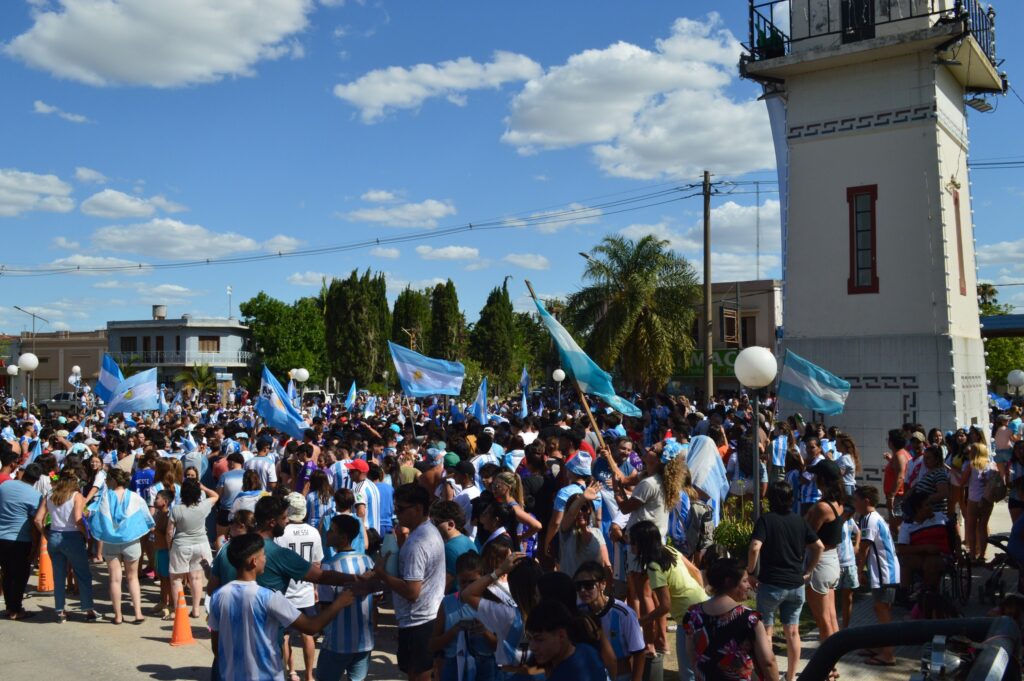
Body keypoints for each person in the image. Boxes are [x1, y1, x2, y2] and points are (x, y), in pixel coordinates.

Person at [208, 532, 354, 681]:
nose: (265, 559)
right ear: (254, 562)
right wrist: (340, 602)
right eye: (263, 556)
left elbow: (216, 647)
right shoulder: (269, 597)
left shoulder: (218, 596)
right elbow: (312, 626)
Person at [364, 483, 446, 681]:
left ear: (418, 508)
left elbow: (412, 591)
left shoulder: (418, 543)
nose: (396, 513)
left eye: (400, 509)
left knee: (419, 675)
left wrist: (382, 574)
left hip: (418, 621)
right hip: (427, 616)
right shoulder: (427, 532)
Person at [746, 481, 823, 681]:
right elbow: (819, 547)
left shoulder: (766, 520)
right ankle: (790, 677)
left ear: (770, 499)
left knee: (767, 634)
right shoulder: (800, 521)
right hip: (796, 585)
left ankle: (768, 676)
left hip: (771, 585)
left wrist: (751, 572)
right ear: (791, 499)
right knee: (793, 633)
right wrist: (808, 570)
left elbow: (755, 547)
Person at [630, 519, 707, 681]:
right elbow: (696, 572)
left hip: (688, 618)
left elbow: (665, 606)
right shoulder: (670, 550)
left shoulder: (653, 566)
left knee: (688, 673)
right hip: (705, 605)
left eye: (633, 542)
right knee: (706, 663)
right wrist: (701, 596)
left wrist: (642, 620)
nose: (631, 546)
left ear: (643, 543)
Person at [682, 556, 779, 681]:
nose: (749, 586)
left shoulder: (692, 615)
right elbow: (768, 661)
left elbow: (691, 653)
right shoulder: (750, 619)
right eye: (744, 581)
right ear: (728, 582)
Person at [90, 466, 155, 624]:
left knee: (114, 580)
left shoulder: (105, 497)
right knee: (133, 578)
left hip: (111, 542)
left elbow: (95, 516)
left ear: (112, 480)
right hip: (131, 541)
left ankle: (118, 615)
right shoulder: (134, 497)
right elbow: (147, 518)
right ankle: (138, 613)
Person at [317, 514, 376, 681]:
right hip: (364, 641)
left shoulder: (328, 566)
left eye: (331, 530)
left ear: (343, 537)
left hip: (337, 643)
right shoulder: (367, 561)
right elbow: (376, 598)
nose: (327, 533)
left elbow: (325, 606)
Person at [33, 469, 97, 622]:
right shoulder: (76, 496)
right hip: (72, 536)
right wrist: (87, 536)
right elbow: (78, 519)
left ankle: (60, 610)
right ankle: (88, 609)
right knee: (82, 574)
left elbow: (37, 519)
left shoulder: (49, 495)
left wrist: (45, 534)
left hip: (54, 535)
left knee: (59, 575)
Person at [430, 551, 499, 681]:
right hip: (453, 667)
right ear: (457, 579)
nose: (468, 586)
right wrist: (454, 630)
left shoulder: (492, 604)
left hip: (485, 668)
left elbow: (501, 647)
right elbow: (433, 645)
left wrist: (485, 632)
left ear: (482, 578)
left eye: (472, 581)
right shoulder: (447, 603)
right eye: (463, 582)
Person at [276, 492, 324, 681]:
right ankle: (310, 674)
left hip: (286, 590)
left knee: (285, 635)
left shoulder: (282, 533)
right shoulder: (313, 532)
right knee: (308, 634)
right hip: (305, 589)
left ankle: (291, 671)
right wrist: (314, 587)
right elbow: (317, 563)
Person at [574, 560, 646, 681]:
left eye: (588, 585)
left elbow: (639, 653)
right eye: (578, 586)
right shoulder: (578, 612)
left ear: (603, 584)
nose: (582, 590)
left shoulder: (624, 614)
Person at [853, 485, 900, 666]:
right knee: (880, 608)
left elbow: (864, 548)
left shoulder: (869, 519)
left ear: (866, 501)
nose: (854, 504)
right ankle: (881, 646)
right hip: (884, 570)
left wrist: (858, 571)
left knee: (883, 609)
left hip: (885, 571)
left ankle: (888, 654)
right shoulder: (872, 518)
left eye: (856, 500)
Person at [803, 459, 843, 644]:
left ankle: (828, 666)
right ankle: (833, 661)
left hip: (819, 563)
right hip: (832, 561)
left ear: (822, 480)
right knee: (831, 615)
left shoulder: (822, 507)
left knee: (823, 619)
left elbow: (807, 534)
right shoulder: (837, 502)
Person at [168, 477, 219, 619]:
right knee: (196, 578)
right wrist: (204, 487)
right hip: (201, 545)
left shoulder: (176, 509)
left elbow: (169, 531)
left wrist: (169, 546)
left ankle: (180, 610)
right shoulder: (204, 506)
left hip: (181, 545)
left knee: (176, 579)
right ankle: (196, 610)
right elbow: (215, 496)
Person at [0, 462, 43, 619]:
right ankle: (15, 609)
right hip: (20, 540)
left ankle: (9, 606)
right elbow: (35, 523)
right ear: (37, 479)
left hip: (1, 538)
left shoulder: (5, 486)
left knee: (7, 573)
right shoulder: (35, 496)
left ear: (22, 473)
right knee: (20, 575)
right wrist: (35, 549)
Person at [525, 600, 607, 680]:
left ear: (561, 636)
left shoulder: (562, 676)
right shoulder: (588, 650)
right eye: (529, 638)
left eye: (539, 640)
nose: (532, 647)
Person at [558, 484, 611, 581]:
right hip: (571, 590)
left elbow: (606, 563)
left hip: (592, 589)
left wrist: (608, 586)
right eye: (577, 510)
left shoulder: (597, 533)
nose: (580, 512)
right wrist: (582, 498)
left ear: (590, 510)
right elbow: (570, 514)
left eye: (584, 508)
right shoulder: (566, 531)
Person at [430, 500, 478, 592]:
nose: (432, 527)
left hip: (454, 600)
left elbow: (445, 584)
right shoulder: (466, 540)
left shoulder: (449, 548)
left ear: (451, 524)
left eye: (435, 522)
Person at [964, 442, 996, 562]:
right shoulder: (991, 465)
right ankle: (982, 555)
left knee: (971, 528)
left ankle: (972, 555)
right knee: (983, 527)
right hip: (987, 500)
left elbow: (962, 481)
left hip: (973, 500)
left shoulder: (971, 465)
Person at [836, 504, 860, 630]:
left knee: (848, 598)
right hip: (836, 564)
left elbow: (858, 532)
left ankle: (845, 627)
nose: (850, 515)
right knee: (833, 600)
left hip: (849, 563)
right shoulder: (834, 520)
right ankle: (832, 627)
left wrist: (857, 546)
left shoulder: (850, 520)